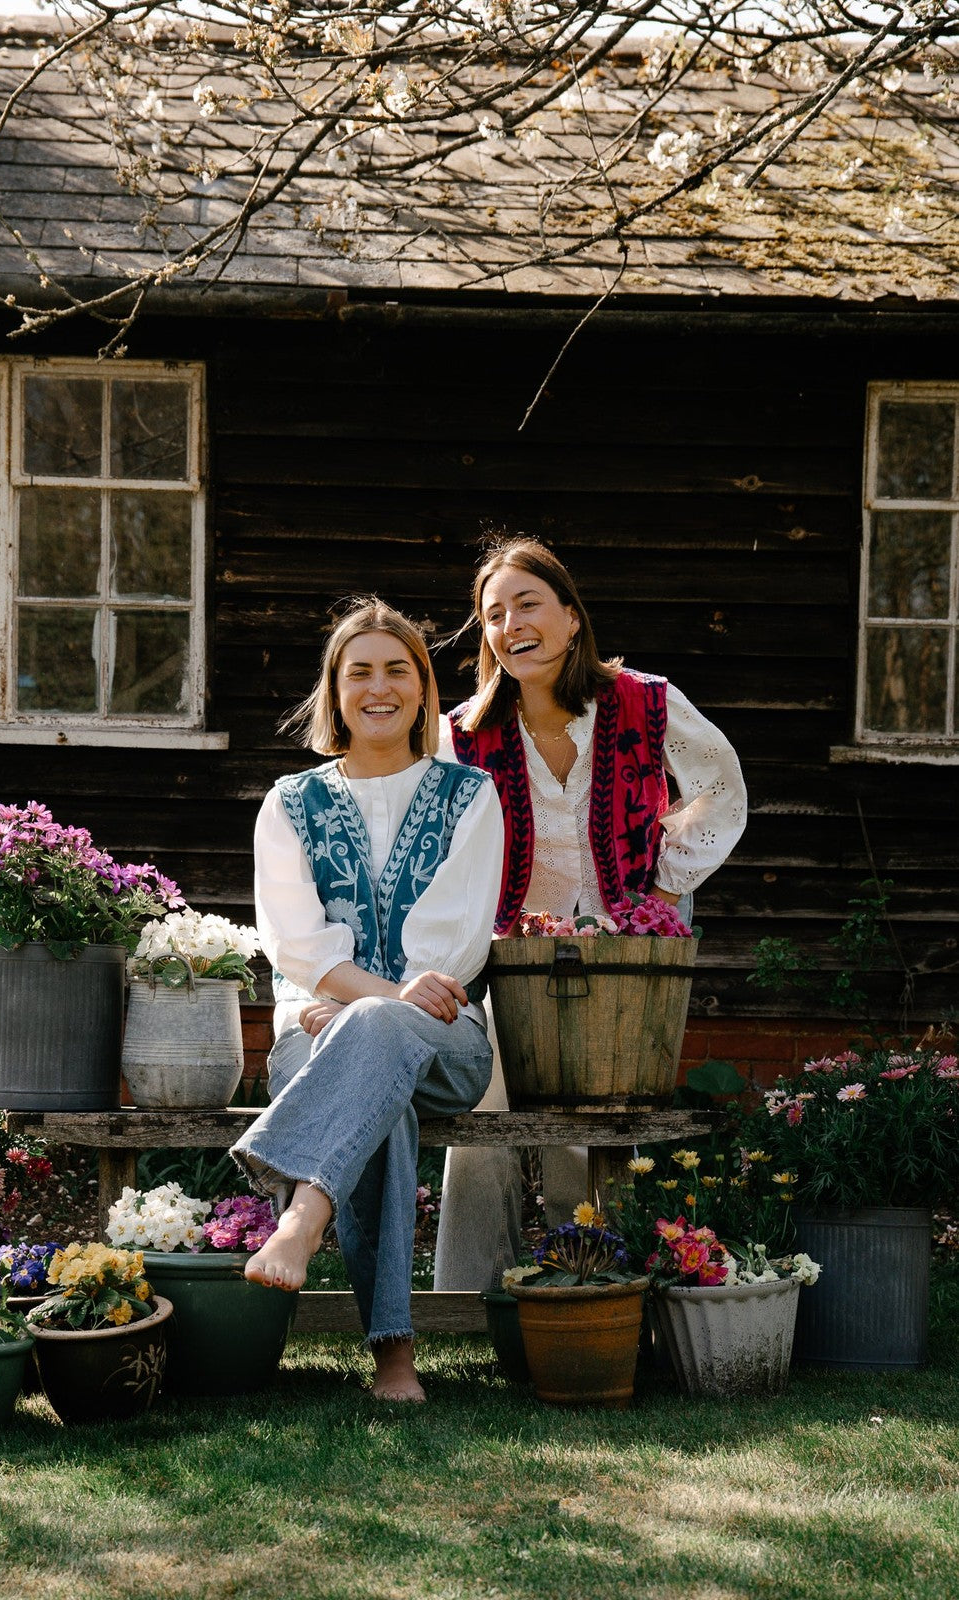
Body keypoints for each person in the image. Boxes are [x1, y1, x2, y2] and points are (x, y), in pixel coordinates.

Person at [432, 538, 748, 1291]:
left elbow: (720, 788)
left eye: (528, 604)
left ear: (572, 617)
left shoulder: (645, 701)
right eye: (494, 614)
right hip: (508, 956)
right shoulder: (462, 734)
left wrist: (663, 892)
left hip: (618, 958)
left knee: (595, 1121)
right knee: (483, 1115)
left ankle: (596, 1289)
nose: (511, 625)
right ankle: (468, 1298)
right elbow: (435, 846)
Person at [230, 598, 504, 1402]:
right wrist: (374, 1006)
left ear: (422, 689)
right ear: (335, 691)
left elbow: (454, 949)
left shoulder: (470, 796)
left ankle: (301, 1215)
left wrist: (358, 1007)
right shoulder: (289, 804)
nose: (378, 688)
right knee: (383, 1096)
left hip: (447, 1042)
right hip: (312, 1039)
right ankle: (394, 1356)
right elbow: (296, 946)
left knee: (381, 1037)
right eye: (360, 673)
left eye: (396, 670)